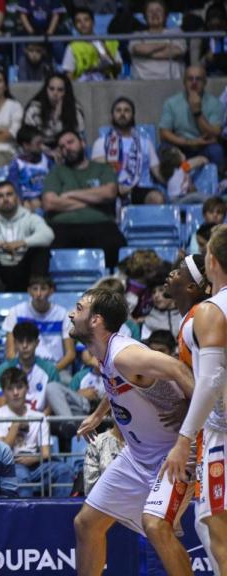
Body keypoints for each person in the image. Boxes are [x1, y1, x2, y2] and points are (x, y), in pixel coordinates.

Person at [71, 288, 195, 576]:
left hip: (172, 456)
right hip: (137, 457)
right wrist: (98, 414)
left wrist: (192, 412)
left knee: (156, 527)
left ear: (95, 321)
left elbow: (179, 368)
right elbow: (116, 383)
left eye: (78, 308)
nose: (71, 313)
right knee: (86, 524)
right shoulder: (107, 354)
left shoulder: (126, 355)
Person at [161, 228, 227, 573]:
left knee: (215, 527)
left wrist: (184, 439)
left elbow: (208, 380)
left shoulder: (207, 313)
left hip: (219, 432)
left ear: (212, 261)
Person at [42, 130, 125, 269]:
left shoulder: (102, 169)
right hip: (62, 227)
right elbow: (49, 203)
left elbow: (110, 193)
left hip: (100, 224)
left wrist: (69, 194)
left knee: (116, 244)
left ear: (83, 143)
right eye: (62, 147)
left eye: (70, 142)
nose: (66, 148)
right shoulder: (56, 172)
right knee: (43, 250)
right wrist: (95, 199)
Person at [0, 368, 74, 497]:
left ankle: (58, 513)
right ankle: (25, 516)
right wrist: (15, 426)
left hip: (37, 465)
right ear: (4, 393)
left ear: (27, 389)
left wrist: (33, 458)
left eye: (19, 387)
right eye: (10, 389)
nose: (15, 393)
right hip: (9, 465)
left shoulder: (39, 416)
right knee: (21, 476)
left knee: (64, 470)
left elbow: (46, 453)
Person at [0, 180, 54, 293]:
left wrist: (22, 242)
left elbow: (48, 235)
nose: (5, 199)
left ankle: (37, 286)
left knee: (41, 247)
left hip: (25, 274)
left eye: (9, 194)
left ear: (17, 197)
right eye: (0, 196)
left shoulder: (29, 217)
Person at [90, 97, 163, 205]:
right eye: (118, 110)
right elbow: (97, 172)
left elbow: (159, 173)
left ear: (133, 115)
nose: (122, 114)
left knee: (156, 198)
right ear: (112, 115)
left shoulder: (145, 143)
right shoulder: (101, 143)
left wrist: (183, 170)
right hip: (112, 189)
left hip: (140, 189)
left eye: (127, 110)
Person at [2, 275, 76, 375]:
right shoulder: (16, 312)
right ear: (29, 291)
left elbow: (70, 354)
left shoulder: (63, 315)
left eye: (43, 289)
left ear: (51, 291)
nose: (38, 293)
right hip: (23, 370)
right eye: (35, 289)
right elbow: (10, 353)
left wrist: (50, 372)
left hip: (56, 370)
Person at [158, 65, 225, 174]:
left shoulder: (215, 104)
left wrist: (197, 112)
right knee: (165, 148)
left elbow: (214, 135)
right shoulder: (171, 102)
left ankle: (218, 185)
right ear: (184, 82)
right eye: (190, 79)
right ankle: (171, 184)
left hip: (204, 147)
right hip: (180, 145)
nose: (194, 83)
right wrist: (189, 143)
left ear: (205, 82)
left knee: (216, 150)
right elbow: (164, 133)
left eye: (198, 79)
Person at [23, 72, 86, 153]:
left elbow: (79, 138)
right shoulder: (34, 109)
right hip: (40, 151)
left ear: (66, 92)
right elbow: (29, 139)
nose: (55, 93)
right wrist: (49, 152)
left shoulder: (75, 109)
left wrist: (57, 119)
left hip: (66, 151)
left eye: (60, 90)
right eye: (51, 89)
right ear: (46, 90)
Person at [129, 0, 187, 81]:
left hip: (171, 81)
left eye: (158, 10)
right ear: (145, 16)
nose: (154, 14)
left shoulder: (176, 32)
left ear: (165, 14)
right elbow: (138, 49)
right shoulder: (137, 35)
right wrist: (165, 44)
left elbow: (176, 52)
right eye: (150, 11)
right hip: (142, 82)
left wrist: (147, 54)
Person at [62, 8, 122, 82]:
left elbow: (119, 69)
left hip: (108, 85)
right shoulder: (72, 47)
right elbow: (69, 75)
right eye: (78, 21)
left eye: (86, 20)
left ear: (93, 22)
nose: (82, 24)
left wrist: (109, 57)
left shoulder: (109, 42)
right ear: (75, 26)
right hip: (83, 87)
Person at [6, 125, 53, 212]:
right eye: (38, 143)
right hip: (28, 202)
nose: (42, 146)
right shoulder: (17, 165)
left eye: (42, 143)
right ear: (26, 145)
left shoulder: (47, 160)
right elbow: (14, 188)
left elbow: (55, 182)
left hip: (46, 199)